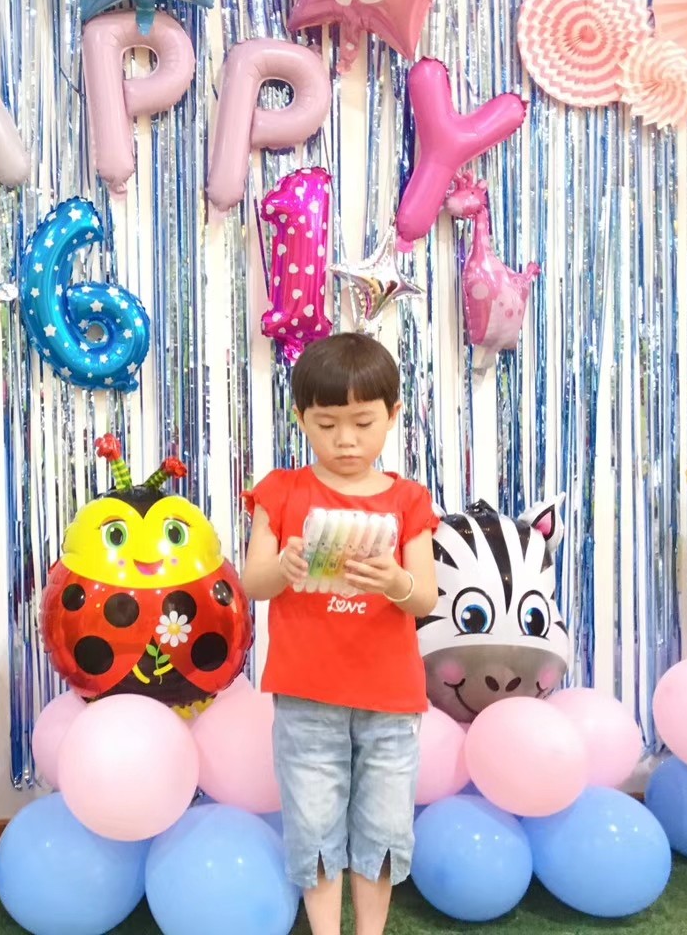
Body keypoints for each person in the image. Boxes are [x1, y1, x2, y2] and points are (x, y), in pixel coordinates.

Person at [241, 333, 439, 935]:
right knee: (314, 827)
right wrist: (284, 567)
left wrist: (395, 581)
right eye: (326, 425)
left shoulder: (409, 500)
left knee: (383, 829)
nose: (345, 440)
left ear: (393, 415)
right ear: (300, 418)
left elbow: (426, 597)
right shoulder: (281, 492)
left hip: (391, 699)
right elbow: (252, 582)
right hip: (306, 694)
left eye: (362, 422)